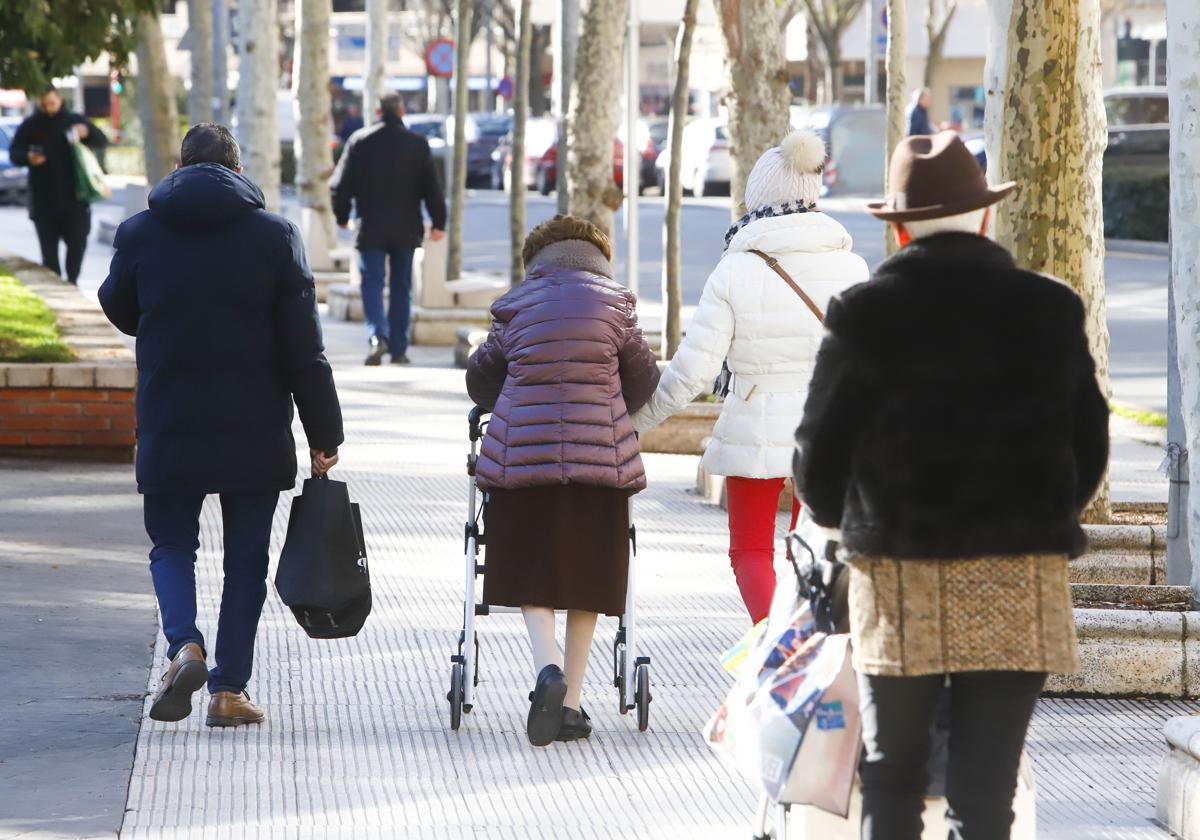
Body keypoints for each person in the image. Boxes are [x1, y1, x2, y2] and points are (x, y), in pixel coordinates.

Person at [793, 131, 1110, 839]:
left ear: (899, 228)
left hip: (898, 577)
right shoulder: (1050, 309)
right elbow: (1089, 447)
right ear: (986, 217)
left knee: (893, 775)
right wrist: (1043, 517)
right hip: (1020, 576)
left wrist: (844, 524)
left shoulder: (864, 312)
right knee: (985, 793)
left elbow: (818, 455)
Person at [99, 124, 345, 729]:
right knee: (244, 564)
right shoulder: (276, 237)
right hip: (254, 426)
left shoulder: (139, 233)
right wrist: (324, 432)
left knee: (172, 544)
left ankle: (184, 645)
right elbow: (304, 351)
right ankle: (228, 691)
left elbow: (119, 308)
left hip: (169, 417)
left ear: (181, 167)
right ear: (238, 171)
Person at [631, 129, 868, 625]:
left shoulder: (736, 269)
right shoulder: (852, 265)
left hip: (754, 422)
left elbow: (693, 370)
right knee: (816, 552)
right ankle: (816, 655)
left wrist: (634, 423)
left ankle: (773, 654)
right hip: (832, 431)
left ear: (756, 198)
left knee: (751, 552)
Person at [466, 215, 660, 746]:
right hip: (601, 467)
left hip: (522, 466)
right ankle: (571, 703)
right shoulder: (617, 305)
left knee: (533, 569)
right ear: (598, 257)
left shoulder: (515, 305)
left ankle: (546, 667)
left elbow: (481, 381)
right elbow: (644, 382)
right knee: (588, 579)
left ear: (538, 261)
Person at [331, 91, 446, 366]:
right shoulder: (417, 144)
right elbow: (432, 188)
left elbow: (339, 185)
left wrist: (343, 216)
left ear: (378, 112)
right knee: (401, 286)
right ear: (402, 112)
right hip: (406, 228)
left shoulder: (359, 141)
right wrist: (439, 222)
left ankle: (376, 336)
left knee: (371, 283)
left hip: (369, 226)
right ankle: (398, 348)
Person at [9, 87, 108, 285]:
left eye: (52, 104)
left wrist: (86, 131)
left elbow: (101, 140)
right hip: (43, 201)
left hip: (76, 200)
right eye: (44, 105)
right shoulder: (31, 124)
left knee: (77, 245)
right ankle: (56, 285)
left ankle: (72, 281)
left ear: (60, 100)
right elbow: (15, 153)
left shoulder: (74, 120)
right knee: (49, 255)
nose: (49, 109)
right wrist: (28, 157)